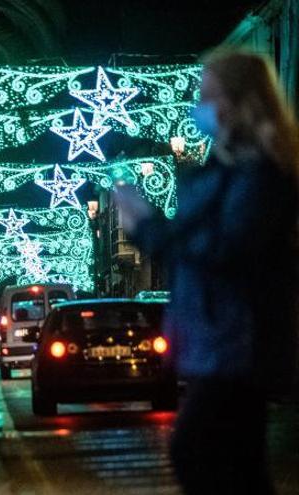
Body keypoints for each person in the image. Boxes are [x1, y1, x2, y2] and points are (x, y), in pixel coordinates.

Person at [115, 49, 299, 495]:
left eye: (209, 96)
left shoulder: (261, 177)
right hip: (213, 340)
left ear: (240, 104)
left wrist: (147, 226)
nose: (200, 107)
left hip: (239, 342)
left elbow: (224, 249)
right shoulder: (223, 170)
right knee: (233, 463)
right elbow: (190, 242)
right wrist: (147, 228)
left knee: (198, 450)